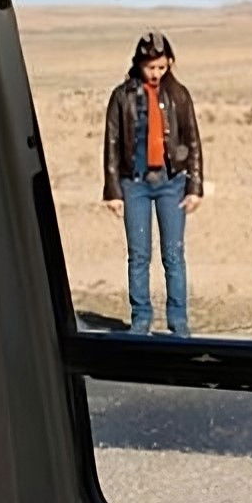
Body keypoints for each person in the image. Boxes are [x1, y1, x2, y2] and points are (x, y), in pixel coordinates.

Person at [102, 30, 204, 336]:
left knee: (173, 254)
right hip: (134, 184)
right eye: (150, 67)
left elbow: (193, 141)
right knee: (139, 255)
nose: (156, 73)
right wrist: (112, 190)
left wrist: (195, 187)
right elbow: (112, 143)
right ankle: (141, 318)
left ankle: (178, 319)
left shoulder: (179, 95)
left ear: (170, 62)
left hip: (172, 183)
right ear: (138, 64)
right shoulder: (121, 96)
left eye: (161, 66)